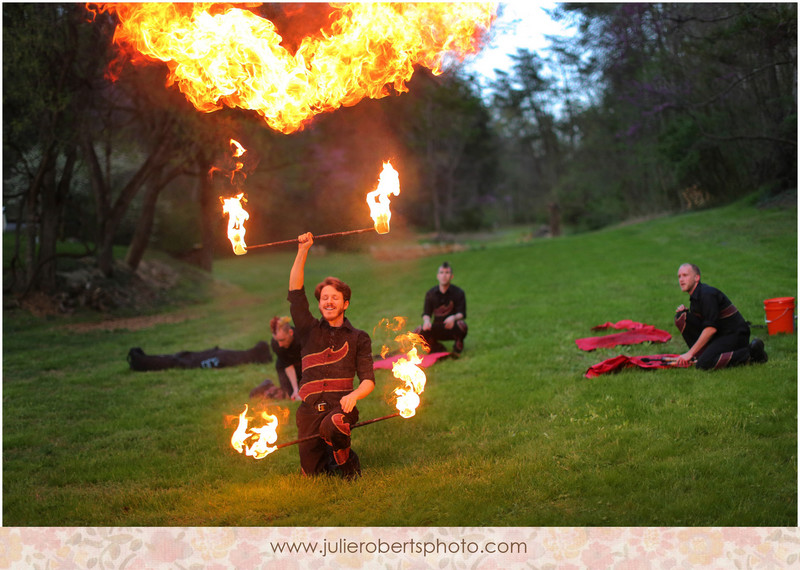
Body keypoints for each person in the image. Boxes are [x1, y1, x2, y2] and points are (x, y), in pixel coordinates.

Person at [288, 232, 375, 479]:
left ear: (345, 303)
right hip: (308, 413)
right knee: (313, 475)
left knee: (334, 423)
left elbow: (368, 379)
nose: (329, 302)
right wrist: (303, 250)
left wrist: (355, 395)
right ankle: (330, 456)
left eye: (334, 298)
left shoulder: (359, 337)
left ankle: (347, 462)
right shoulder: (307, 330)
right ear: (319, 304)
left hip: (339, 410)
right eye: (324, 298)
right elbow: (295, 293)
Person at [674, 263, 767, 370]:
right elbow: (703, 321)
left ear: (697, 278)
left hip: (735, 334)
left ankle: (752, 353)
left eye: (685, 275)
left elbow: (711, 329)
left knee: (703, 364)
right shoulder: (695, 297)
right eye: (679, 276)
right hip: (721, 334)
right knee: (682, 317)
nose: (681, 279)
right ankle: (701, 355)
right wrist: (686, 313)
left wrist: (689, 353)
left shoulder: (707, 294)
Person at [414, 261, 468, 356]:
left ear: (451, 276)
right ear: (438, 276)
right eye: (441, 273)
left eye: (447, 273)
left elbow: (462, 313)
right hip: (436, 327)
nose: (444, 276)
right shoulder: (430, 294)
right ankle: (435, 346)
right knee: (418, 330)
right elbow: (427, 313)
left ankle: (458, 344)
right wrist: (426, 321)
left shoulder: (458, 292)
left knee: (462, 325)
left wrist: (453, 318)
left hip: (452, 327)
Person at [270, 316, 302, 401]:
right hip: (285, 367)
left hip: (302, 364)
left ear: (290, 332)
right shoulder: (275, 344)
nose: (280, 344)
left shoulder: (301, 338)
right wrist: (295, 389)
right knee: (290, 394)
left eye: (282, 340)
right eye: (277, 341)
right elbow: (288, 365)